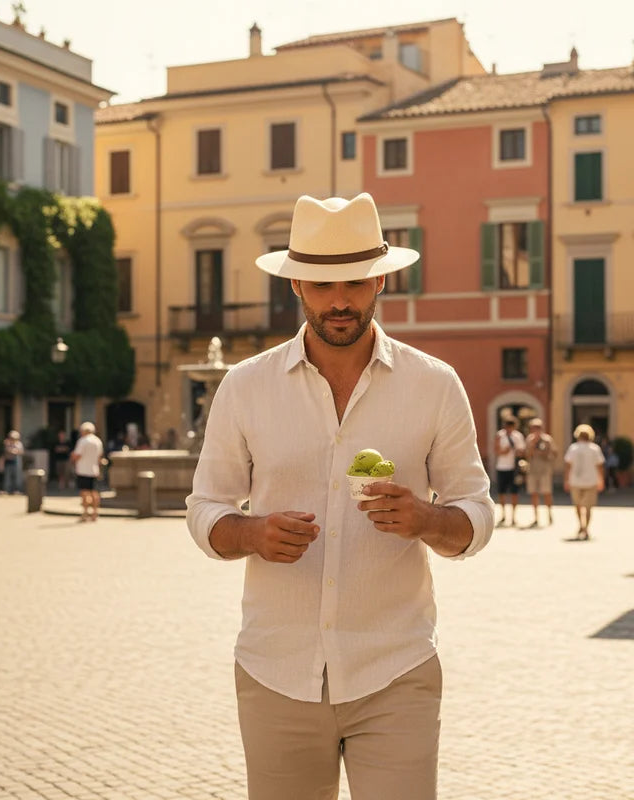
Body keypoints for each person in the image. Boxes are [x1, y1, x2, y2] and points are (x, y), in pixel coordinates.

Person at [186, 193, 494, 800]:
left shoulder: (434, 385)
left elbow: (477, 512)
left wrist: (427, 518)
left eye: (354, 281)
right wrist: (251, 533)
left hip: (396, 668)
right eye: (323, 284)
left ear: (380, 278)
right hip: (276, 670)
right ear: (297, 283)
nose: (340, 300)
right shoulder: (245, 387)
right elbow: (204, 510)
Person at [564, 423, 605, 541]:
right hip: (591, 481)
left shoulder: (573, 448)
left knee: (578, 505)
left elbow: (567, 465)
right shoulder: (595, 448)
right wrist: (601, 480)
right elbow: (600, 466)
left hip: (575, 480)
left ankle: (581, 526)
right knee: (588, 507)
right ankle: (586, 527)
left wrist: (566, 480)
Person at [494, 417, 526, 527]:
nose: (509, 429)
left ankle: (513, 516)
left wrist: (517, 452)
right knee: (501, 492)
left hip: (514, 468)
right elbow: (496, 450)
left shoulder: (518, 436)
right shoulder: (500, 435)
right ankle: (503, 514)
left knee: (514, 492)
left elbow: (522, 452)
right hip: (502, 467)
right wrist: (504, 451)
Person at [524, 418, 556, 527]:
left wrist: (545, 451)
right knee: (534, 493)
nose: (536, 430)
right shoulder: (529, 439)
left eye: (538, 427)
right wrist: (533, 445)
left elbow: (553, 454)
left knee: (547, 493)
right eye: (534, 428)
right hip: (533, 470)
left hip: (544, 470)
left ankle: (549, 514)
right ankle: (536, 517)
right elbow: (527, 455)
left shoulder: (547, 440)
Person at [70, 421, 104, 522]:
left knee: (84, 492)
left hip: (83, 470)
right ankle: (95, 512)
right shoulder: (98, 441)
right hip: (94, 469)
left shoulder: (83, 441)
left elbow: (77, 455)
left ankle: (85, 513)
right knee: (94, 492)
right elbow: (99, 456)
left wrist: (72, 457)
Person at [1, 430, 24, 494]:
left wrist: (13, 451)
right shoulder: (7, 443)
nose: (12, 439)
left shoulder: (19, 444)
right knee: (7, 476)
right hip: (8, 461)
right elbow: (5, 451)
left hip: (16, 461)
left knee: (17, 476)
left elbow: (21, 452)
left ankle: (17, 490)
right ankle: (6, 490)